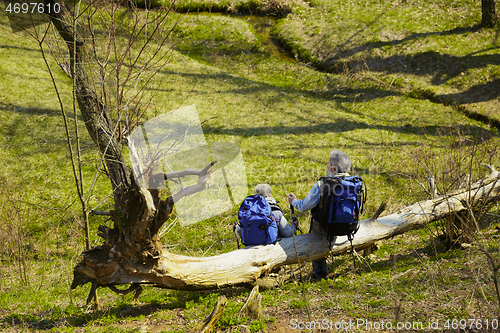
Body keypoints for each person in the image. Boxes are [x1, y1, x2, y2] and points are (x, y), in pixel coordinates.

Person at [287, 149, 352, 280]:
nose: (327, 166)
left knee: (315, 240)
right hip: (349, 226)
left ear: (333, 168)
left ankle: (319, 274)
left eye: (328, 164)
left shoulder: (322, 184)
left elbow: (304, 206)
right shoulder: (353, 182)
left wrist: (293, 201)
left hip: (324, 228)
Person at [234, 184, 299, 244]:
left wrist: (236, 227)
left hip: (251, 246)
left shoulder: (248, 212)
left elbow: (239, 233)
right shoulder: (276, 212)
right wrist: (294, 225)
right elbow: (287, 232)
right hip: (272, 247)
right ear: (268, 196)